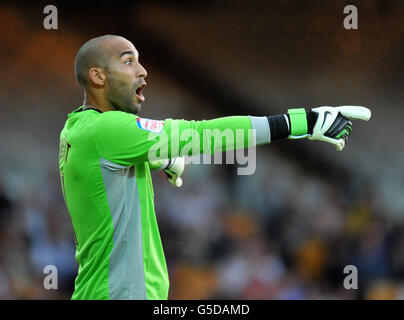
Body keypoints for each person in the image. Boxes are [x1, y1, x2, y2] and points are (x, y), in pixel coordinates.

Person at [59, 35, 371, 300]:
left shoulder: (79, 128)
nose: (142, 70)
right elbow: (202, 135)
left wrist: (160, 158)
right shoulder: (106, 130)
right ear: (98, 77)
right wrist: (301, 122)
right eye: (128, 62)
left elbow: (107, 168)